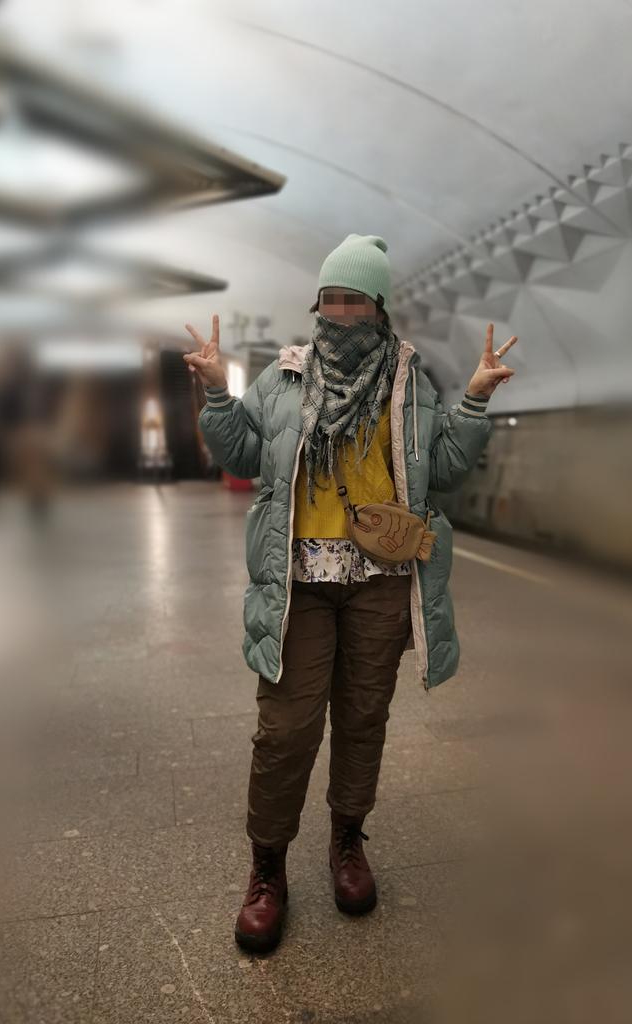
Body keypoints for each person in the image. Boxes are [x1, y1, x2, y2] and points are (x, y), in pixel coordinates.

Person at [185, 234, 517, 954]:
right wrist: (216, 392)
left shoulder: (410, 381)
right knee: (286, 729)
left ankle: (346, 840)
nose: (338, 312)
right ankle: (267, 867)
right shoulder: (284, 376)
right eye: (329, 299)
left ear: (378, 307)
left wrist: (474, 400)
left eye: (354, 300)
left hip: (379, 584)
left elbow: (444, 470)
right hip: (299, 583)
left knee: (364, 718)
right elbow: (244, 453)